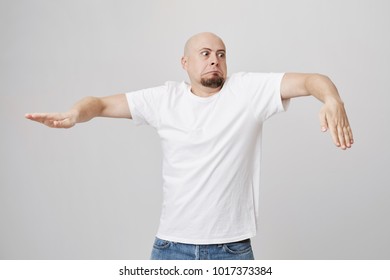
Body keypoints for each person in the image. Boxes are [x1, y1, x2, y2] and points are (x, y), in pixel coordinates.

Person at [25, 32, 354, 260]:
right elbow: (98, 103)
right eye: (206, 54)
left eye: (221, 54)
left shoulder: (249, 91)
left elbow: (313, 80)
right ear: (185, 62)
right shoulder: (164, 99)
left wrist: (332, 98)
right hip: (171, 248)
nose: (215, 61)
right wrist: (73, 114)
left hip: (231, 249)